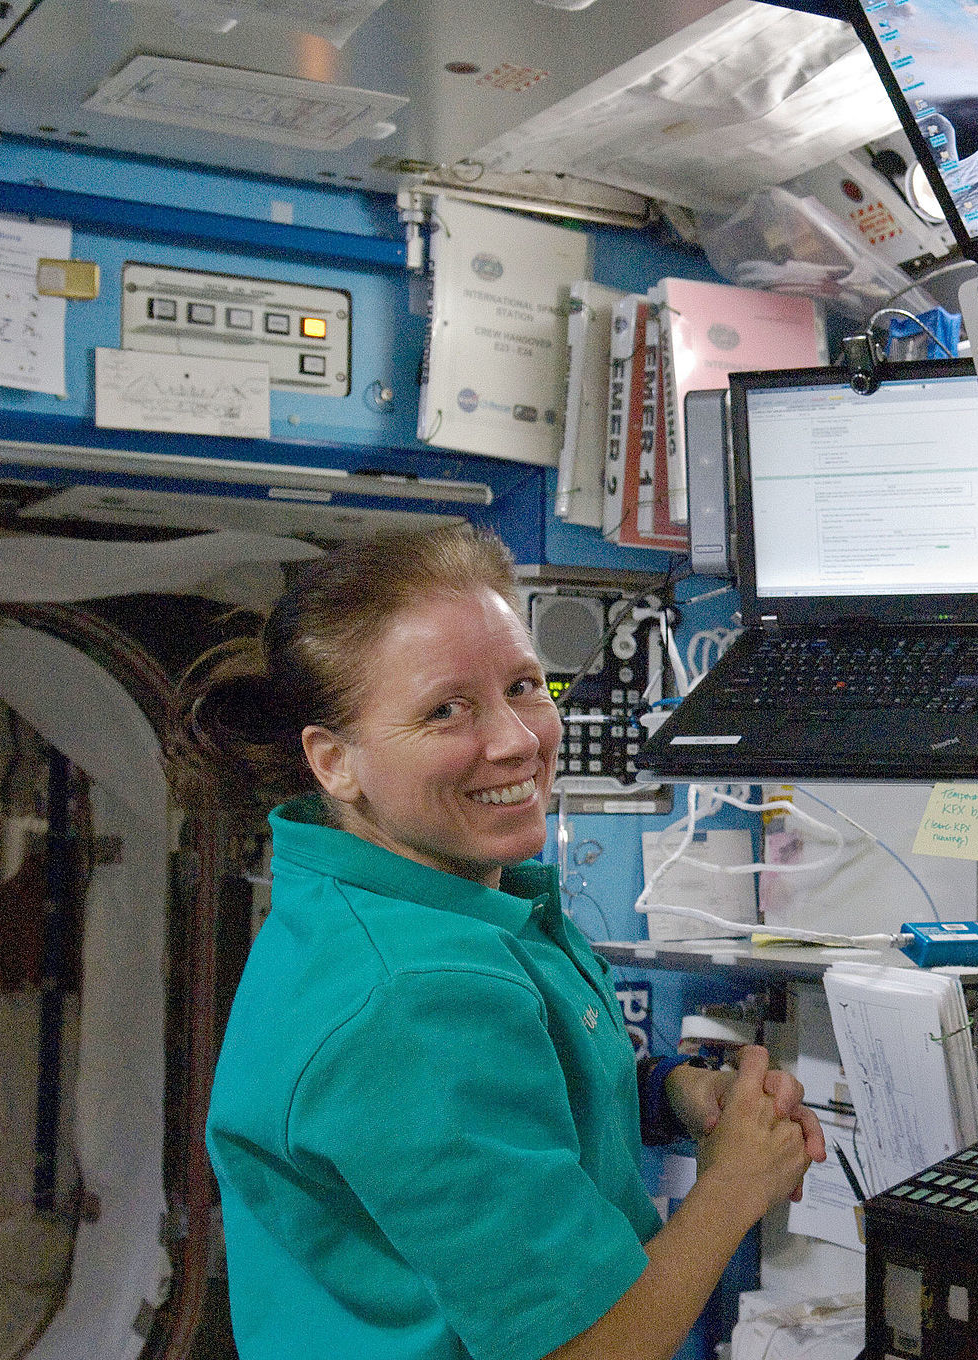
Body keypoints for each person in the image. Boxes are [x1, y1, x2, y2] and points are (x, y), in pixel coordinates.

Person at [169, 525, 824, 1360]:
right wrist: (736, 1185)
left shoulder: (399, 903)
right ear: (335, 762)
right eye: (448, 710)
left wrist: (666, 1094)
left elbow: (485, 1117)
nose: (517, 739)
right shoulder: (412, 993)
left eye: (523, 685)